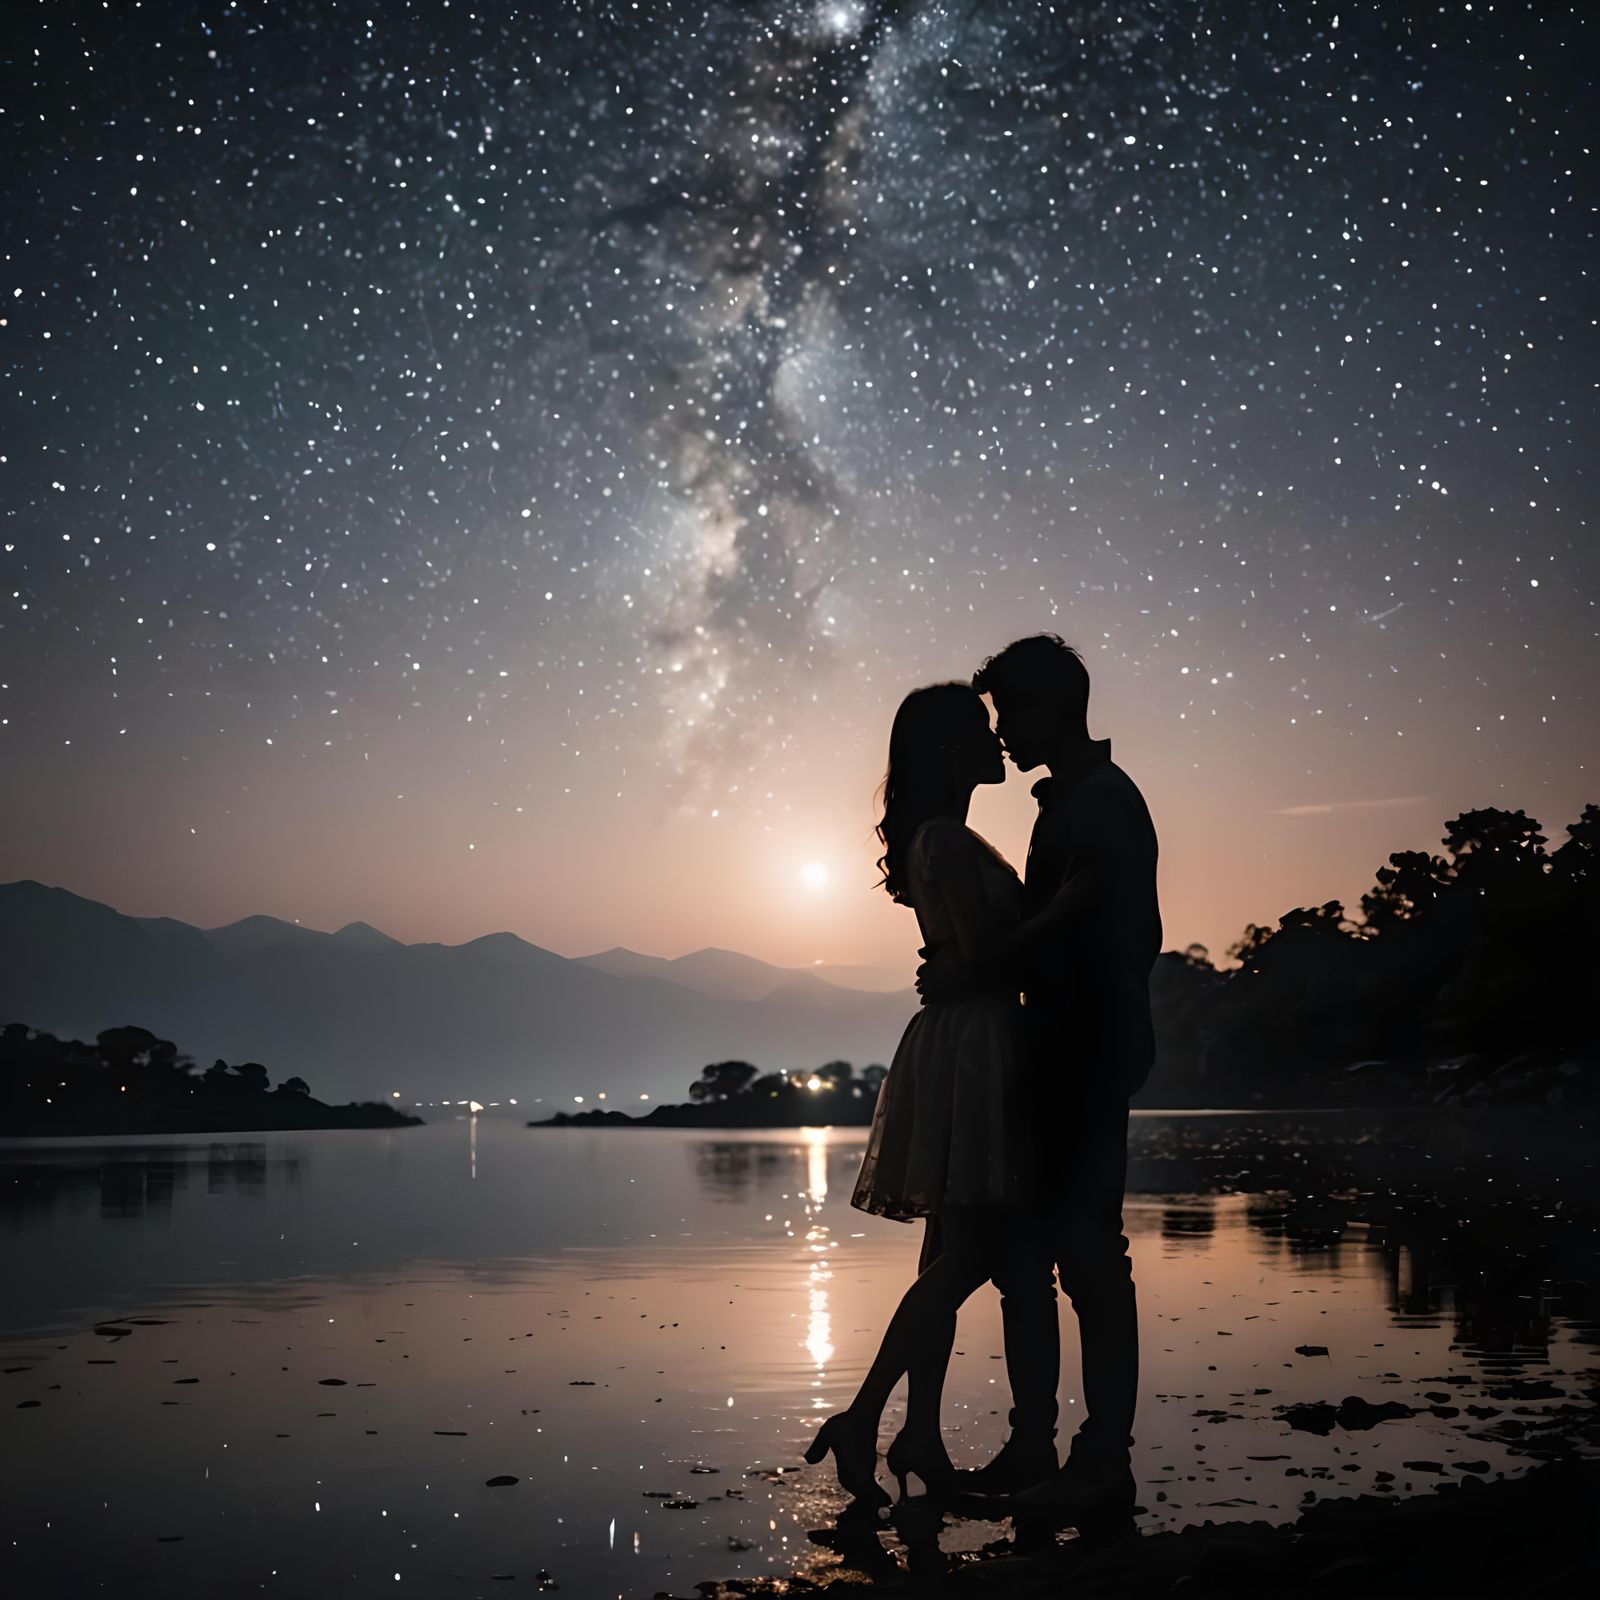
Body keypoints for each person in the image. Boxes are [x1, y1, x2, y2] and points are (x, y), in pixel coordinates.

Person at [919, 633, 1161, 1529]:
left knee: (1092, 1258)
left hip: (1083, 1049)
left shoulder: (1098, 802)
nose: (1004, 732)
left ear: (1057, 706)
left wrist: (970, 971)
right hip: (1058, 1048)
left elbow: (1091, 928)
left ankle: (1100, 1462)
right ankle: (1038, 1448)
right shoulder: (1070, 802)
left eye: (1011, 712)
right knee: (1044, 1257)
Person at [803, 681, 1040, 1505]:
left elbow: (970, 955)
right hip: (976, 1043)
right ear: (946, 748)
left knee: (945, 1253)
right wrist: (1073, 910)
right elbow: (986, 958)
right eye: (980, 728)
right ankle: (868, 1416)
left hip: (964, 1038)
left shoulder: (947, 836)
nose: (995, 738)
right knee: (974, 1250)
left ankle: (917, 1433)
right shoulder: (944, 837)